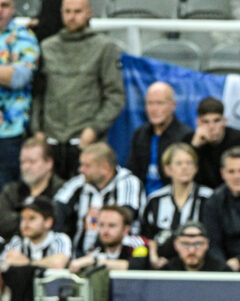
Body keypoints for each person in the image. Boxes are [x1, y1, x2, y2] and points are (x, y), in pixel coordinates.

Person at [31, 0, 125, 179]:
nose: (72, 17)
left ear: (89, 13)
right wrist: (38, 132)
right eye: (67, 12)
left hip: (86, 142)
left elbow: (115, 95)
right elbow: (38, 94)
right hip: (51, 141)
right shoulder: (47, 47)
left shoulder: (104, 47)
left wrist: (93, 129)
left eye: (77, 12)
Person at [53, 142, 145, 257]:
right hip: (79, 256)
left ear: (105, 168)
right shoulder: (79, 182)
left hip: (118, 255)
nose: (81, 170)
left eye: (87, 166)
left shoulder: (128, 182)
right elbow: (57, 211)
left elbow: (123, 218)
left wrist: (93, 254)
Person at [0, 196, 70, 301]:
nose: (25, 224)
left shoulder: (59, 239)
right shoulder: (17, 241)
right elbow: (5, 263)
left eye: (32, 218)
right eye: (23, 219)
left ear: (48, 222)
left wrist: (28, 263)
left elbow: (59, 262)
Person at [141, 143, 213, 270]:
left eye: (189, 163)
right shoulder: (155, 200)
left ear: (196, 168)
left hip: (198, 265)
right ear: (168, 169)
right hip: (161, 265)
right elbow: (147, 235)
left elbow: (213, 237)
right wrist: (153, 257)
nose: (184, 167)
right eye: (179, 163)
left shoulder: (208, 198)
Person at [126, 82, 193, 196]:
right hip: (141, 199)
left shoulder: (185, 136)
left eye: (160, 103)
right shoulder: (140, 134)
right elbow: (133, 172)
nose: (154, 109)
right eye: (150, 103)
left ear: (173, 105)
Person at [0, 0, 39, 192]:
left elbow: (19, 77)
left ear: (13, 8)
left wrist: (11, 73)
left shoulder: (23, 36)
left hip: (10, 134)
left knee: (7, 197)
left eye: (4, 5)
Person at [0, 137, 64, 241]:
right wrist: (36, 221)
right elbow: (2, 222)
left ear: (49, 163)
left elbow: (59, 223)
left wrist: (18, 220)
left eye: (32, 162)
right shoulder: (11, 190)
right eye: (23, 162)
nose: (26, 167)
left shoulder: (63, 191)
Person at [183, 97, 240, 190]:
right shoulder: (189, 140)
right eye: (206, 121)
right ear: (198, 122)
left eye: (216, 120)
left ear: (224, 121)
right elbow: (182, 175)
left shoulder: (238, 140)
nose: (211, 127)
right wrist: (194, 148)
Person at [68, 205, 147, 273]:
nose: (105, 231)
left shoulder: (136, 243)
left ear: (126, 230)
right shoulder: (96, 248)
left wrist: (95, 262)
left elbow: (138, 266)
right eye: (101, 225)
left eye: (112, 225)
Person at [161, 221, 229, 272]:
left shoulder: (221, 271)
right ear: (176, 245)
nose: (191, 250)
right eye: (185, 244)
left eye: (198, 244)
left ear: (206, 244)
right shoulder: (167, 272)